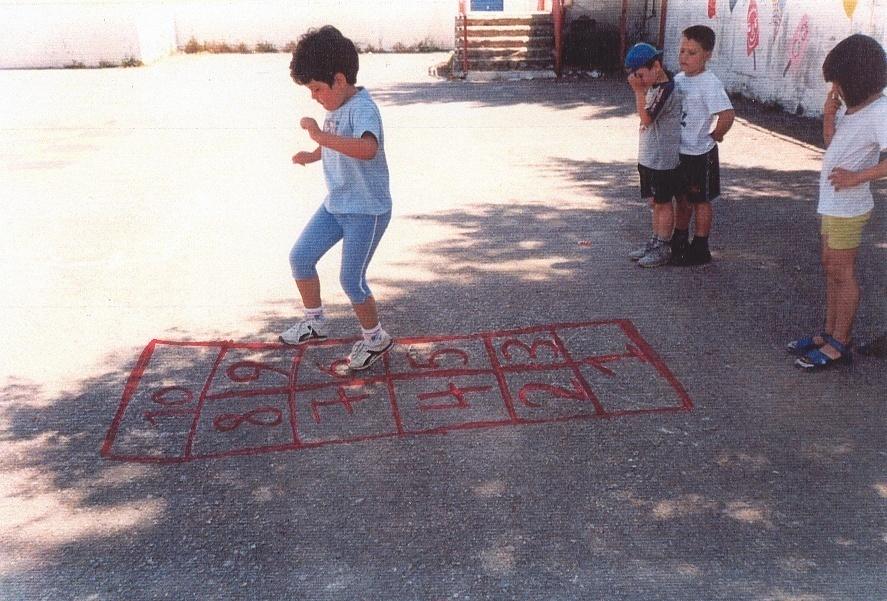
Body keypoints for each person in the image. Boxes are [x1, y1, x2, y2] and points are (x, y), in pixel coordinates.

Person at [280, 25, 394, 371]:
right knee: (300, 257)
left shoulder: (363, 109)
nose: (314, 96)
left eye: (316, 88)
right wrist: (313, 153)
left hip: (367, 210)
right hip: (337, 204)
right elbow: (334, 140)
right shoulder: (337, 104)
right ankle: (315, 322)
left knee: (351, 280)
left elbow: (367, 148)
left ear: (339, 80)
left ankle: (376, 339)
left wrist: (318, 135)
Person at [788, 34, 887, 370]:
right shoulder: (853, 110)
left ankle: (840, 342)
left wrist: (856, 178)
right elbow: (834, 147)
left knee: (842, 272)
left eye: (838, 84)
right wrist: (829, 117)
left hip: (849, 207)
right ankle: (828, 333)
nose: (835, 91)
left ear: (857, 79)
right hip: (832, 203)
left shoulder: (880, 112)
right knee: (831, 267)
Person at [672, 25, 735, 266]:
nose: (684, 57)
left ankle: (700, 246)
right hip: (680, 152)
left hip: (700, 153)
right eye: (682, 51)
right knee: (682, 199)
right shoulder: (678, 80)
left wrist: (715, 136)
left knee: (701, 200)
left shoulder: (709, 83)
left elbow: (727, 114)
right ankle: (678, 240)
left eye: (692, 53)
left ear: (707, 54)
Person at [625, 42, 683, 268]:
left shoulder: (667, 89)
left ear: (656, 66)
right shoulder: (653, 88)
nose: (638, 81)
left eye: (641, 75)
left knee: (663, 202)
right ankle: (655, 240)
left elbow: (647, 118)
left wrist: (638, 92)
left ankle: (663, 246)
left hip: (663, 159)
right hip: (649, 156)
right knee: (654, 202)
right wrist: (643, 90)